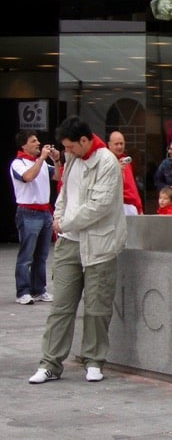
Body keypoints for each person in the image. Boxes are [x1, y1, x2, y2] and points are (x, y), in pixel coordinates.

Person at [29, 117, 127, 384]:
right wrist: (58, 219)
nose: (67, 151)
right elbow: (64, 195)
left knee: (97, 307)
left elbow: (100, 205)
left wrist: (64, 222)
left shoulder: (106, 162)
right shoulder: (72, 159)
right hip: (68, 242)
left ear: (85, 141)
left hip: (99, 243)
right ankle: (50, 362)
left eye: (71, 146)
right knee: (60, 306)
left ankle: (94, 360)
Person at [10, 131, 60, 305]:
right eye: (33, 141)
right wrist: (42, 159)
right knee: (26, 255)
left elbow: (58, 176)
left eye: (38, 140)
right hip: (28, 212)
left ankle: (39, 289)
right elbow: (28, 177)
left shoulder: (44, 164)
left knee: (42, 255)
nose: (38, 143)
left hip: (45, 211)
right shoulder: (18, 163)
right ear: (24, 145)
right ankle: (22, 291)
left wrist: (56, 160)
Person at [107, 131, 143, 215]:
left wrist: (139, 207)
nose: (119, 146)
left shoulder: (126, 162)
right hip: (117, 205)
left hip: (131, 207)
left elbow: (132, 187)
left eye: (121, 143)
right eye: (116, 144)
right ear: (109, 145)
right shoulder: (106, 162)